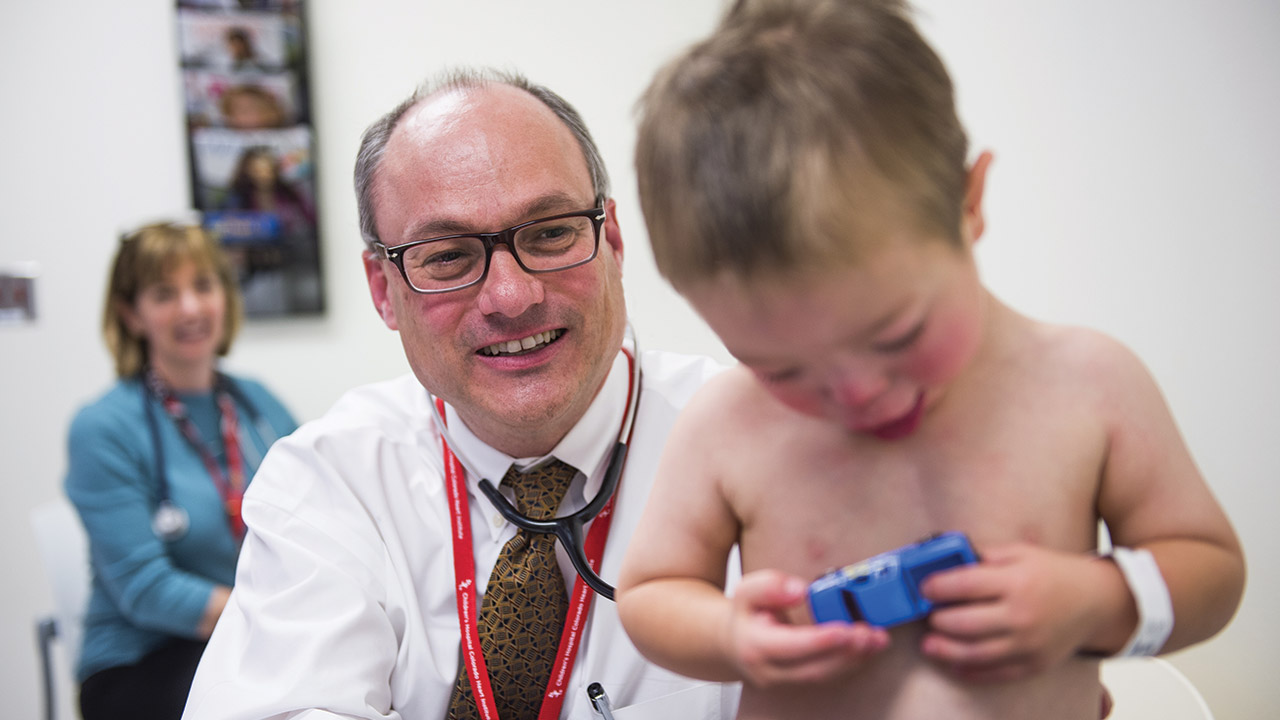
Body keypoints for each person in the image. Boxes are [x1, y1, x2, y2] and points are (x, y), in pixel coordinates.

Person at [614, 1, 1245, 719]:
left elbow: (1211, 571)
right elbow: (649, 595)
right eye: (781, 368)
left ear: (970, 203)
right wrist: (728, 633)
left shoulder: (1087, 385)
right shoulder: (726, 423)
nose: (855, 392)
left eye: (896, 335)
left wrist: (1096, 599)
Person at [183, 68, 740, 719]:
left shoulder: (756, 444)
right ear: (382, 289)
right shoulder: (332, 481)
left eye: (551, 233)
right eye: (447, 256)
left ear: (611, 239)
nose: (512, 296)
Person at [65, 220, 298, 720]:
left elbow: (316, 518)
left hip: (252, 640)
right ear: (131, 314)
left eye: (203, 285)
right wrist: (277, 616)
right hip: (140, 663)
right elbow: (147, 589)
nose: (190, 307)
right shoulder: (103, 428)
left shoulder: (258, 405)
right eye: (165, 293)